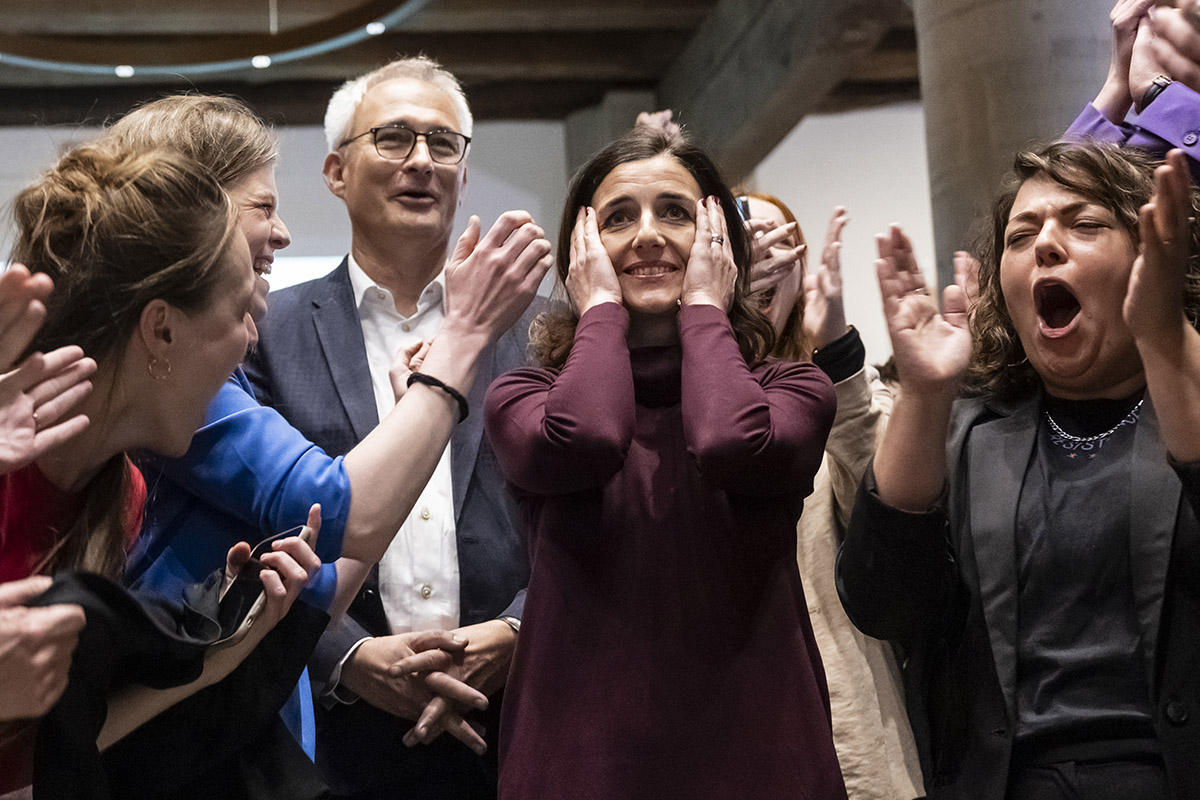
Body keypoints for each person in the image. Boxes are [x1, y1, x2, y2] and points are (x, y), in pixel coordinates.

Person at [479, 127, 845, 799]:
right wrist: (599, 313)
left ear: (721, 243)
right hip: (580, 765)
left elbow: (730, 443)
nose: (648, 234)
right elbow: (586, 436)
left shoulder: (792, 389)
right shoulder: (520, 396)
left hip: (761, 760)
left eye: (675, 211)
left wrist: (706, 305)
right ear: (582, 252)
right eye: (619, 218)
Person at [838, 141, 1200, 799]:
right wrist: (923, 396)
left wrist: (1165, 336)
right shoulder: (975, 432)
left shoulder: (1187, 399)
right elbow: (885, 605)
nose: (1046, 245)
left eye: (1085, 224)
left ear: (1155, 250)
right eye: (1021, 234)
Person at [243, 55, 551, 798]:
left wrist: (515, 633)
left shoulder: (545, 332)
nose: (421, 160)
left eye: (443, 144)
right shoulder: (266, 330)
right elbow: (248, 523)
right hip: (330, 735)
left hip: (519, 719)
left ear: (464, 174)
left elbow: (591, 516)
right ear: (336, 171)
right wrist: (344, 656)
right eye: (393, 138)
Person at [0, 143, 320, 794]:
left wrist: (218, 655)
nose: (251, 341)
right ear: (163, 330)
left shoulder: (125, 491)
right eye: (241, 313)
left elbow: (57, 743)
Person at [736, 191, 925, 799]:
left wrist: (837, 351)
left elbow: (892, 511)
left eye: (780, 242)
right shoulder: (659, 390)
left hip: (847, 733)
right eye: (744, 241)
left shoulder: (834, 388)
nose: (765, 256)